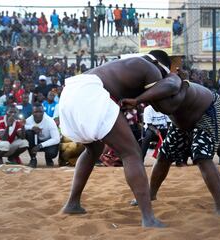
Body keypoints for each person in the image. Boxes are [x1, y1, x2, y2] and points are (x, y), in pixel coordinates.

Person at [58, 51, 184, 227]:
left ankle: (72, 203)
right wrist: (176, 78)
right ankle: (148, 218)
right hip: (91, 94)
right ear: (161, 66)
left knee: (93, 149)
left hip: (70, 94)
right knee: (131, 153)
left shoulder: (128, 64)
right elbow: (169, 95)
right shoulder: (152, 68)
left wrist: (137, 99)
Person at [122, 51, 220, 218]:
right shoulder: (152, 82)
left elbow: (169, 107)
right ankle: (150, 194)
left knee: (202, 156)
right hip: (182, 120)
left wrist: (138, 100)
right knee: (164, 155)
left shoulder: (172, 79)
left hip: (209, 110)